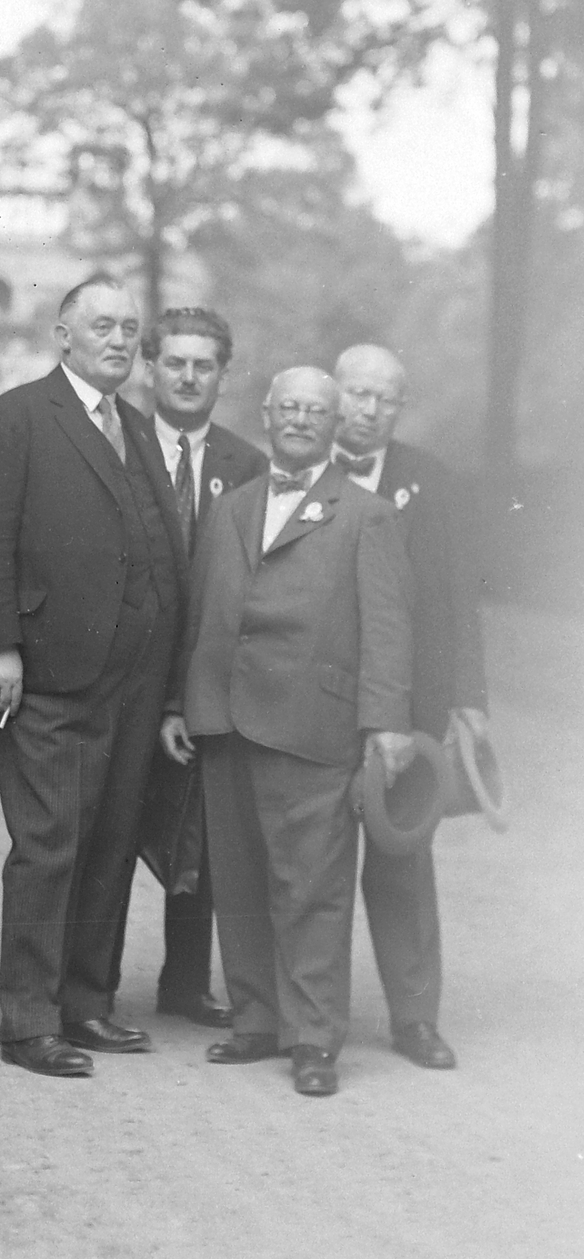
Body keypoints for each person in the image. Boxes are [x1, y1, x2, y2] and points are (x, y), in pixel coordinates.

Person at [161, 366, 415, 1097]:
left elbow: (390, 630)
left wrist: (386, 725)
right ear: (266, 416)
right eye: (289, 408)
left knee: (313, 887)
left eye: (316, 409)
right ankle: (256, 1019)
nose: (300, 420)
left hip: (315, 726)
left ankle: (313, 1037)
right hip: (224, 721)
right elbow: (202, 609)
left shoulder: (366, 514)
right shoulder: (232, 506)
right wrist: (182, 701)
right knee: (237, 881)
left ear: (335, 424)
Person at [0, 275, 188, 1079]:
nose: (120, 339)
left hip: (131, 679)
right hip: (47, 675)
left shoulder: (135, 426)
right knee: (50, 843)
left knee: (111, 841)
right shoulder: (16, 418)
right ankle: (28, 1022)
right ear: (62, 335)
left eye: (130, 327)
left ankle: (87, 1003)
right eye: (102, 325)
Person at [332, 342, 487, 1070]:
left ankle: (415, 1016)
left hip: (412, 704)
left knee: (403, 857)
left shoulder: (433, 481)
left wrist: (468, 700)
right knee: (314, 859)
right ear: (335, 394)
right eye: (355, 393)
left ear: (400, 406)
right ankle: (307, 1016)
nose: (366, 408)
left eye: (382, 397)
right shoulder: (302, 471)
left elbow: (459, 596)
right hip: (322, 698)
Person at [136, 308, 266, 1029]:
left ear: (223, 372)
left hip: (205, 676)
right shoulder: (118, 444)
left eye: (203, 364)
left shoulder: (247, 465)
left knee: (204, 832)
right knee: (106, 831)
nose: (188, 376)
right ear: (150, 366)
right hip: (121, 675)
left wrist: (193, 693)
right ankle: (80, 986)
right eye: (175, 362)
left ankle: (183, 982)